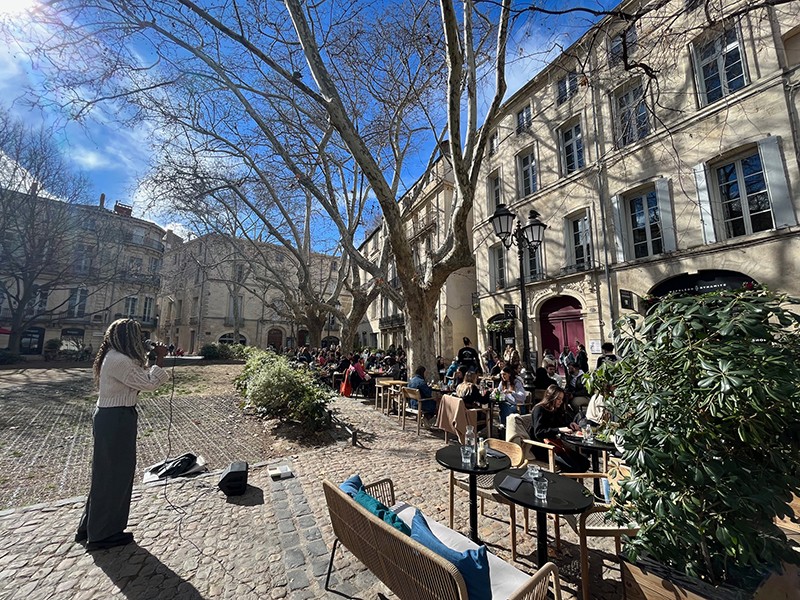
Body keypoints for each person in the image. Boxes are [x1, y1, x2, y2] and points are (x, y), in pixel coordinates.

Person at [75, 319, 170, 550]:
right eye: (137, 335)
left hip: (113, 416)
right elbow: (148, 383)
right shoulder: (119, 360)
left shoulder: (116, 357)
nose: (140, 339)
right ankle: (104, 534)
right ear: (128, 337)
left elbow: (136, 377)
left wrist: (149, 360)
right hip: (116, 418)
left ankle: (90, 527)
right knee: (115, 474)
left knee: (106, 474)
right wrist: (159, 359)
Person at [530, 385, 590, 472]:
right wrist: (559, 430)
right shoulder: (539, 409)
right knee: (574, 468)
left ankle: (571, 484)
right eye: (558, 399)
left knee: (585, 463)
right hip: (542, 447)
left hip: (556, 445)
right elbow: (538, 432)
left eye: (561, 399)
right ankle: (566, 484)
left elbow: (560, 423)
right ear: (550, 397)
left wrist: (570, 424)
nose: (560, 402)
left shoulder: (555, 409)